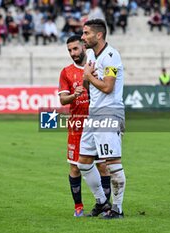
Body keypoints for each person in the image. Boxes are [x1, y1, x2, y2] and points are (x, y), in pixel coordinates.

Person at [58, 35, 111, 217]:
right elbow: (62, 99)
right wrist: (74, 95)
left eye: (75, 49)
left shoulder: (97, 66)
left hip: (97, 123)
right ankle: (78, 206)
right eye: (69, 50)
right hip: (77, 125)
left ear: (83, 47)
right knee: (75, 167)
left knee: (103, 165)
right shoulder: (66, 72)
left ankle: (105, 205)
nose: (73, 53)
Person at [79, 19, 126, 219]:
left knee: (112, 163)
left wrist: (89, 77)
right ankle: (101, 201)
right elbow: (86, 81)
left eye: (86, 33)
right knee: (83, 162)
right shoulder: (90, 54)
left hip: (110, 111)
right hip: (94, 112)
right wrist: (86, 77)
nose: (83, 37)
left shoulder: (111, 56)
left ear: (99, 35)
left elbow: (108, 87)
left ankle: (117, 208)